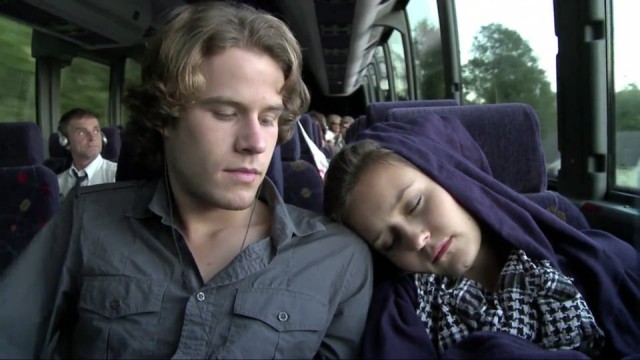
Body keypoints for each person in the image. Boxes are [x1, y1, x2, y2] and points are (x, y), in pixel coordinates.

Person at [0, 2, 372, 358]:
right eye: (226, 113)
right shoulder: (86, 221)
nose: (256, 143)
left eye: (268, 118)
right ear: (166, 117)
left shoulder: (337, 259)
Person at [323, 115, 639, 358]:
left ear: (454, 180)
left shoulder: (592, 257)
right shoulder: (402, 314)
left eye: (415, 204)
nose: (417, 239)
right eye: (390, 242)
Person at [56, 108, 117, 200]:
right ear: (65, 141)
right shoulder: (56, 184)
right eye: (81, 133)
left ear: (103, 138)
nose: (92, 138)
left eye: (96, 131)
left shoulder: (116, 175)